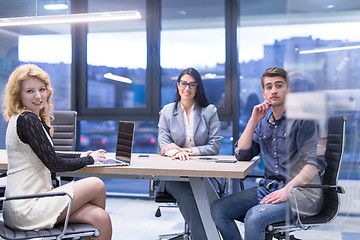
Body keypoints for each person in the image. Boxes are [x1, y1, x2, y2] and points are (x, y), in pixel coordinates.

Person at [211, 67, 326, 240]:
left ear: (289, 90)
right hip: (269, 189)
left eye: (279, 85)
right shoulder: (263, 122)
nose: (274, 90)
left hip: (300, 193)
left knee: (254, 217)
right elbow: (242, 155)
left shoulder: (305, 119)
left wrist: (287, 189)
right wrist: (253, 120)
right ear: (264, 93)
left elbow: (313, 164)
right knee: (219, 209)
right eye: (269, 87)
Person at [2, 64, 112, 240]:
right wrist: (89, 160)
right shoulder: (27, 119)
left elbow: (48, 155)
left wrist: (82, 155)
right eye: (30, 91)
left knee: (100, 218)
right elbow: (54, 163)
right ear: (18, 95)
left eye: (42, 89)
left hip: (33, 201)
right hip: (27, 206)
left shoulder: (27, 117)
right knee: (96, 184)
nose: (38, 96)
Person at [157, 67, 223, 240]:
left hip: (204, 174)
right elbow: (162, 142)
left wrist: (188, 151)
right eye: (184, 83)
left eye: (192, 84)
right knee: (188, 195)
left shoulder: (209, 111)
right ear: (178, 86)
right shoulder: (167, 111)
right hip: (174, 175)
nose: (187, 88)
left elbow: (214, 145)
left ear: (198, 87)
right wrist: (174, 153)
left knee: (209, 200)